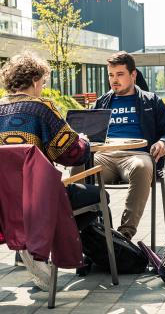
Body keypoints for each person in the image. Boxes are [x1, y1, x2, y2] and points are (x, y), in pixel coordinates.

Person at [0, 52, 102, 291]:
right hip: (39, 199)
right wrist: (84, 141)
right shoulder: (42, 109)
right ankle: (42, 246)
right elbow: (71, 154)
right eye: (43, 83)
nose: (43, 88)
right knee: (99, 196)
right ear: (36, 81)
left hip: (4, 201)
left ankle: (31, 244)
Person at [92, 51, 165, 240]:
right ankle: (91, 232)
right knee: (80, 167)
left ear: (133, 74)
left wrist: (163, 142)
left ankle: (124, 236)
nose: (114, 80)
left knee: (142, 165)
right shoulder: (101, 102)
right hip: (104, 156)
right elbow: (88, 135)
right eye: (111, 75)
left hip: (137, 155)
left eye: (120, 74)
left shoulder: (151, 101)